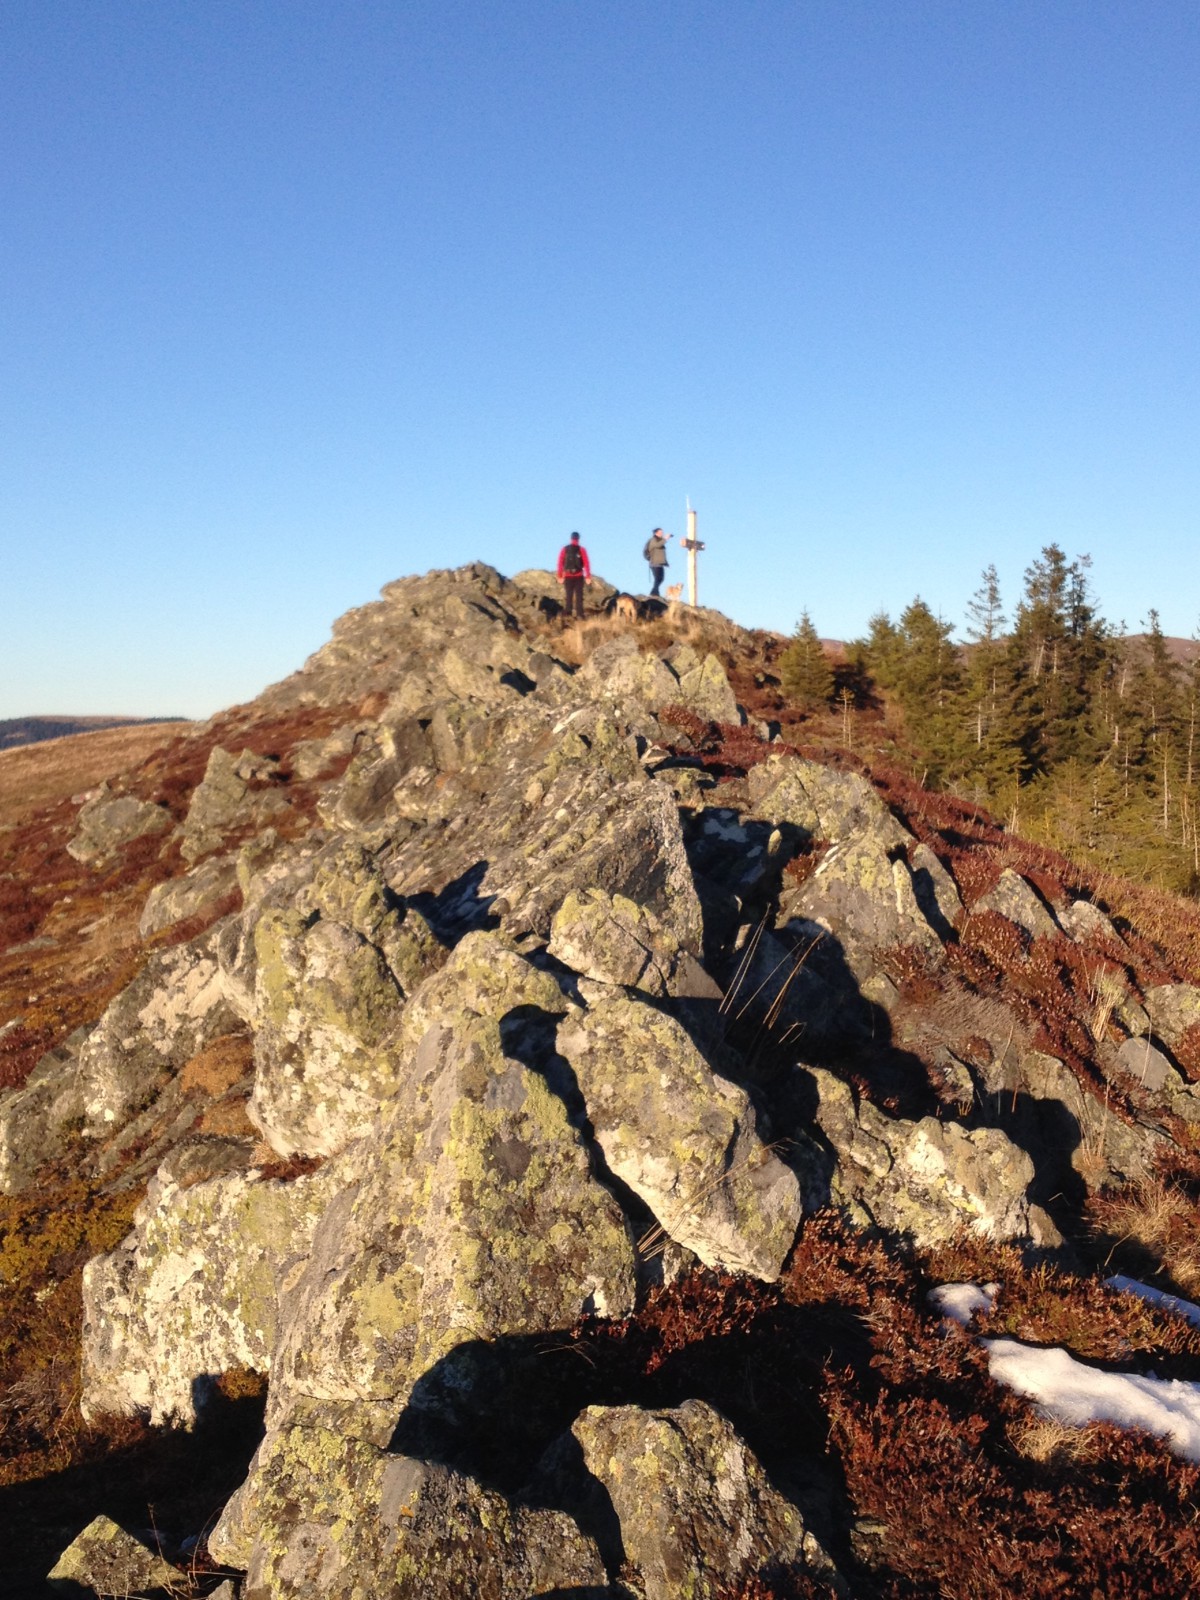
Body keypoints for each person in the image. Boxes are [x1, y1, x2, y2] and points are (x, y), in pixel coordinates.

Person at [556, 530, 592, 623]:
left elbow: (560, 563)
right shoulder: (582, 549)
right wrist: (588, 576)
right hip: (579, 576)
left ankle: (568, 616)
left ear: (571, 538)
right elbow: (586, 563)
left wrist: (560, 576)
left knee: (569, 596)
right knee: (579, 597)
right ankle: (580, 616)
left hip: (568, 576)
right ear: (578, 539)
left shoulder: (564, 549)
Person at [643, 527, 668, 597]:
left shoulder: (659, 540)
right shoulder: (653, 540)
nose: (662, 534)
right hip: (654, 563)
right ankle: (654, 593)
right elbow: (657, 545)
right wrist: (665, 539)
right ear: (656, 533)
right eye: (660, 532)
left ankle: (654, 592)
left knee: (661, 578)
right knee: (657, 578)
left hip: (660, 563)